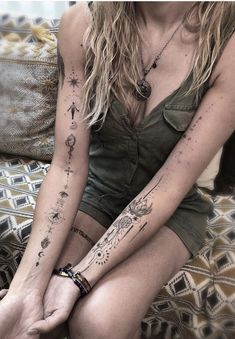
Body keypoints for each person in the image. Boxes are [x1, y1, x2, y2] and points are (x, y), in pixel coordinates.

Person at [0, 2, 235, 338]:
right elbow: (68, 166)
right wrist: (24, 290)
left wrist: (79, 278)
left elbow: (170, 185)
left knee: (98, 321)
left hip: (173, 208)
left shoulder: (227, 42)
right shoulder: (83, 23)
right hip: (98, 191)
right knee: (37, 314)